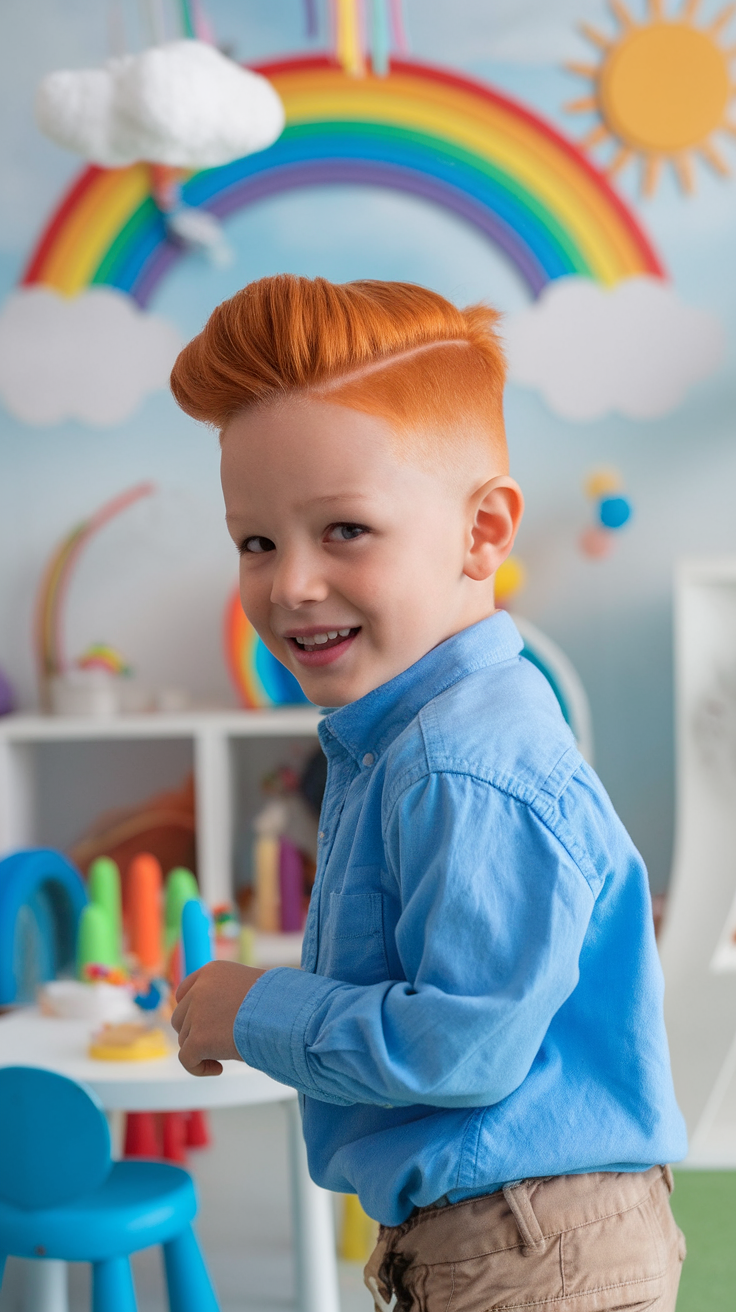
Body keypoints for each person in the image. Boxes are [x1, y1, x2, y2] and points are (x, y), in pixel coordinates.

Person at [170, 275, 687, 1312]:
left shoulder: (459, 763)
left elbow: (462, 1040)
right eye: (256, 541)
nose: (291, 584)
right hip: (500, 1233)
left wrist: (247, 1008)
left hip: (529, 1243)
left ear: (484, 532)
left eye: (344, 530)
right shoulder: (405, 743)